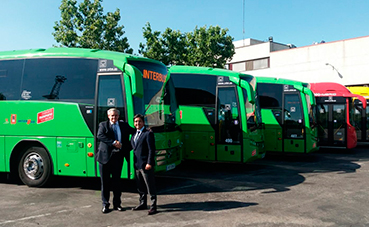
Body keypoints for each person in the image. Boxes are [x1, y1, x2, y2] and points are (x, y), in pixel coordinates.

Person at [96, 108, 136, 213]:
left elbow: (135, 131)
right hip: (104, 158)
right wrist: (113, 142)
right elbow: (100, 135)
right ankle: (105, 204)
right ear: (108, 116)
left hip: (118, 158)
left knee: (117, 182)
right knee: (105, 183)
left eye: (116, 115)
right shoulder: (103, 125)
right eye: (112, 116)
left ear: (119, 116)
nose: (114, 118)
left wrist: (146, 129)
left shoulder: (124, 125)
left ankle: (117, 204)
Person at [131, 114, 158, 215]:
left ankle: (153, 206)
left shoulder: (148, 134)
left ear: (143, 122)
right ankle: (142, 203)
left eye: (139, 121)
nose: (137, 123)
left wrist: (149, 163)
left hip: (145, 165)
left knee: (150, 186)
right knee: (140, 186)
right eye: (136, 122)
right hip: (137, 165)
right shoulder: (134, 135)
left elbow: (151, 149)